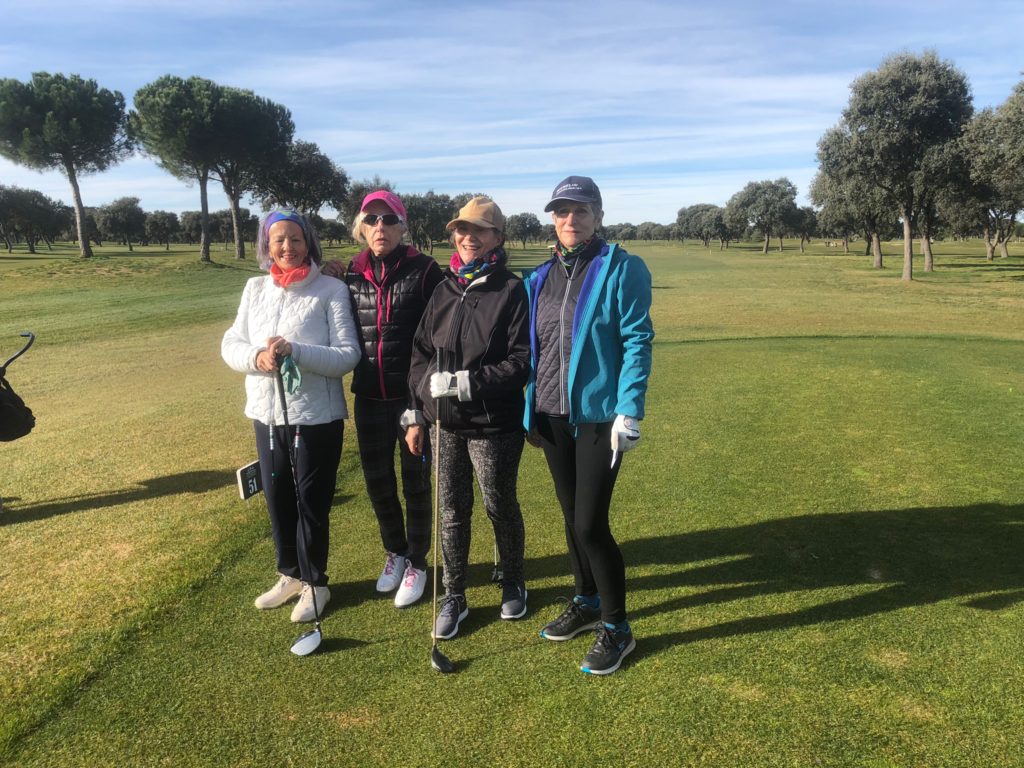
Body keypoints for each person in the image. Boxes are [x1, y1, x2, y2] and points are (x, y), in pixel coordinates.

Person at [523, 176, 654, 675]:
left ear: (597, 214)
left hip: (601, 417)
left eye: (579, 210)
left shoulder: (622, 267)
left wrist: (630, 408)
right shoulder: (539, 278)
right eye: (561, 212)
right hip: (552, 414)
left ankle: (618, 628)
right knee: (568, 516)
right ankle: (587, 600)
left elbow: (638, 339)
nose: (569, 220)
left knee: (589, 524)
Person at [222, 209, 361, 623]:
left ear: (308, 243)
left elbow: (346, 356)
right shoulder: (254, 288)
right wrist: (256, 356)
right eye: (278, 240)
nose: (287, 247)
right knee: (277, 497)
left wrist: (295, 350)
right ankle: (290, 574)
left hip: (316, 417)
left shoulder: (331, 290)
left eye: (295, 239)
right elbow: (232, 342)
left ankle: (316, 583)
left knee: (311, 503)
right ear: (267, 245)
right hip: (266, 414)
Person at [403, 196, 531, 640]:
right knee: (452, 510)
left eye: (479, 230)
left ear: (497, 237)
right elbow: (420, 353)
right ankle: (454, 593)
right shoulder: (444, 288)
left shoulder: (511, 290)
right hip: (444, 423)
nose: (468, 237)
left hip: (494, 424)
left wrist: (466, 382)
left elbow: (521, 361)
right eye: (461, 229)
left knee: (499, 505)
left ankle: (512, 576)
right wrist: (419, 407)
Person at [324, 191, 443, 608]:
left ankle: (417, 562)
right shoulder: (348, 273)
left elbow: (440, 338)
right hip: (369, 395)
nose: (380, 227)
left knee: (415, 483)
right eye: (372, 219)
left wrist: (423, 406)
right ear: (362, 226)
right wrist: (323, 271)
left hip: (412, 399)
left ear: (402, 226)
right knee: (378, 483)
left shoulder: (425, 270)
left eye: (389, 219)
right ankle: (394, 552)